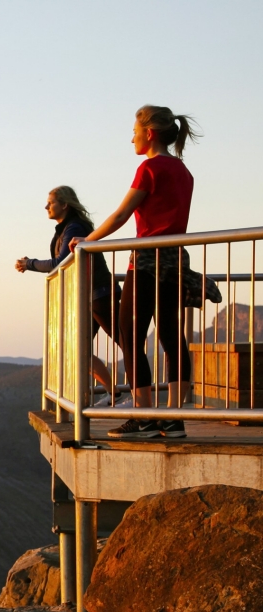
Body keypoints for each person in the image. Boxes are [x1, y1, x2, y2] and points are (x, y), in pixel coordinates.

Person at [70, 105, 209, 439]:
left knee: (129, 335)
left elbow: (121, 215)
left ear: (149, 133)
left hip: (147, 259)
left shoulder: (149, 168)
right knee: (172, 335)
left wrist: (86, 241)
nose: (131, 138)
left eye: (134, 131)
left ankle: (144, 417)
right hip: (175, 258)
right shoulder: (183, 171)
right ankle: (174, 419)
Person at [16, 185, 123, 406]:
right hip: (89, 296)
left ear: (64, 205)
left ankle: (137, 399)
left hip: (99, 294)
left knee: (126, 344)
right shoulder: (67, 227)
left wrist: (29, 264)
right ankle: (115, 394)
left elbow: (61, 262)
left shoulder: (73, 227)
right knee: (78, 348)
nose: (46, 206)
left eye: (51, 202)